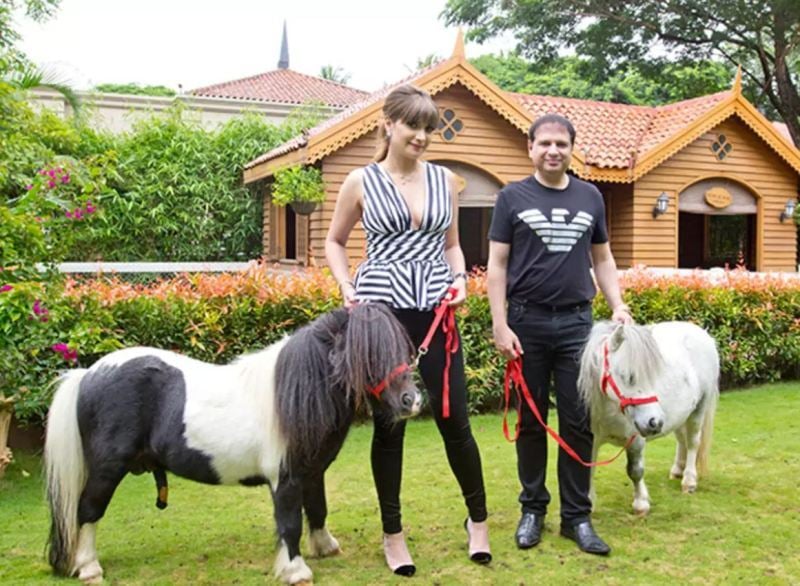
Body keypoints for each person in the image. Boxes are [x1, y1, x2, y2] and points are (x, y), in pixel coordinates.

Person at [325, 84, 491, 576]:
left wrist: (460, 278)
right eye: (412, 126)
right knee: (389, 427)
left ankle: (477, 521)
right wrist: (343, 284)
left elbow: (453, 247)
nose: (420, 136)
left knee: (454, 420)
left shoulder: (445, 181)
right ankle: (393, 535)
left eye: (428, 128)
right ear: (389, 125)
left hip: (437, 314)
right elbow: (336, 241)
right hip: (381, 318)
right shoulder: (361, 181)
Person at [487, 114, 632, 556]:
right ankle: (533, 510)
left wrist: (618, 303)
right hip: (526, 323)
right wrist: (500, 323)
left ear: (572, 148)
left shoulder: (591, 196)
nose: (553, 150)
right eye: (545, 143)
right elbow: (497, 265)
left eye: (561, 143)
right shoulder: (511, 198)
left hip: (576, 325)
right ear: (530, 147)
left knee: (578, 423)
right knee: (531, 422)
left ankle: (577, 518)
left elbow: (602, 259)